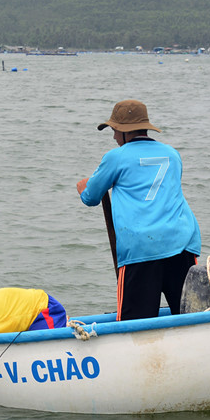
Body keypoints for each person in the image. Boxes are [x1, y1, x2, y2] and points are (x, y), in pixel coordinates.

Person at [76, 99, 201, 321]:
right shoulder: (172, 154)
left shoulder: (115, 157)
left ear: (125, 132)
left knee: (135, 322)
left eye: (115, 131)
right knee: (190, 317)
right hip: (182, 243)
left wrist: (82, 188)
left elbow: (91, 197)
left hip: (141, 249)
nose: (114, 137)